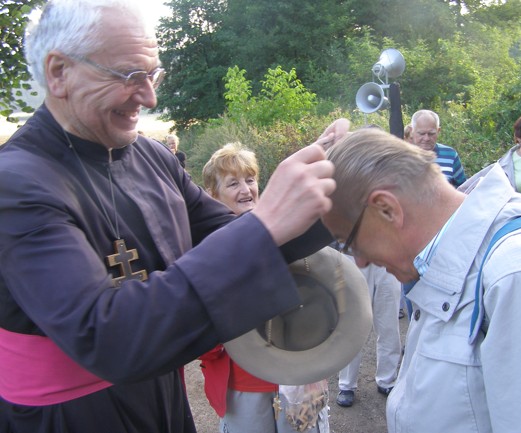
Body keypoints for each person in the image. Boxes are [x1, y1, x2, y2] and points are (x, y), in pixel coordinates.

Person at [0, 1, 350, 432]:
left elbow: (234, 238)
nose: (150, 97)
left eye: (153, 75)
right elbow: (105, 336)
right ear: (59, 73)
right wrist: (266, 223)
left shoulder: (150, 156)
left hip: (162, 393)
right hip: (68, 417)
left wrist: (337, 189)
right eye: (130, 76)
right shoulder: (15, 183)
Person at [322, 127, 521, 433]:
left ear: (387, 209)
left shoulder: (519, 276)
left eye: (350, 243)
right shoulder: (446, 263)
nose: (360, 261)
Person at [200, 142, 329, 433]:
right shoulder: (205, 247)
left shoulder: (287, 227)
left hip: (299, 374)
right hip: (244, 382)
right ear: (212, 194)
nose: (246, 189)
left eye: (250, 179)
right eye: (233, 183)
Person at [335, 261, 402, 408]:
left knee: (389, 324)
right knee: (351, 325)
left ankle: (387, 379)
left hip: (388, 258)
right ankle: (346, 384)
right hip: (354, 256)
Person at [410, 109, 467, 187]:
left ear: (438, 131)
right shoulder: (401, 156)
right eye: (421, 133)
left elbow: (464, 188)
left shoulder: (450, 155)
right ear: (412, 131)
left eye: (431, 134)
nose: (426, 138)